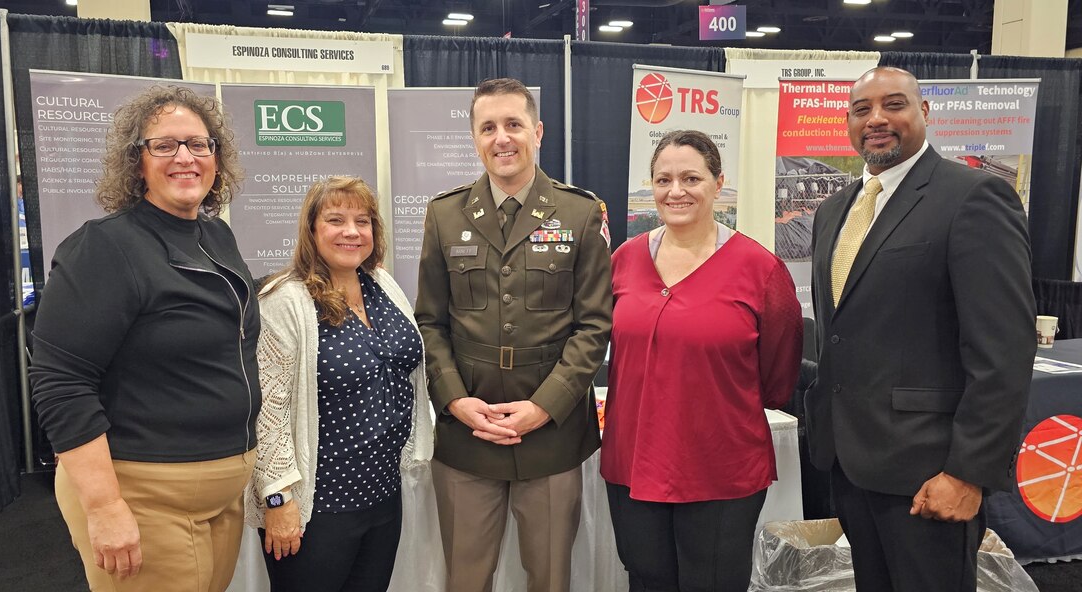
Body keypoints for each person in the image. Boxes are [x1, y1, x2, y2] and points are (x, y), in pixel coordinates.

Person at [805, 66, 1036, 592]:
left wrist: (967, 472)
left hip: (930, 472)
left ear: (924, 113)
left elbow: (1003, 352)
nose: (877, 119)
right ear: (847, 122)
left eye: (894, 105)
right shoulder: (834, 211)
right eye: (862, 110)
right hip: (850, 463)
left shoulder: (973, 197)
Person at [30, 86, 258, 591]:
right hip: (144, 493)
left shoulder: (215, 235)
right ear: (137, 162)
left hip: (222, 491)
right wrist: (106, 506)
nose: (185, 158)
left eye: (199, 145)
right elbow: (60, 381)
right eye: (165, 145)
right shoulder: (105, 247)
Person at [415, 77, 612, 592]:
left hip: (551, 436)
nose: (501, 138)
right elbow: (430, 323)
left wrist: (544, 406)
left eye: (513, 125)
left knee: (549, 578)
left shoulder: (580, 213)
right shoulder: (444, 214)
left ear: (538, 131)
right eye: (488, 127)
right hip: (467, 434)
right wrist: (455, 402)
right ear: (475, 138)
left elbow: (594, 325)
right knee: (466, 577)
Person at [601, 130, 803, 592]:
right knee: (646, 578)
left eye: (691, 178)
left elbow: (778, 376)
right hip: (633, 461)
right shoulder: (624, 260)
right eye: (663, 179)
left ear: (718, 183)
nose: (676, 191)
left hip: (720, 465)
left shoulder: (760, 269)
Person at [245, 176, 433, 591]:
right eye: (336, 220)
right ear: (312, 231)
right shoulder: (283, 301)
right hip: (317, 507)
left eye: (362, 221)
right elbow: (267, 413)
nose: (352, 231)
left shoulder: (382, 285)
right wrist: (278, 498)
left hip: (383, 495)